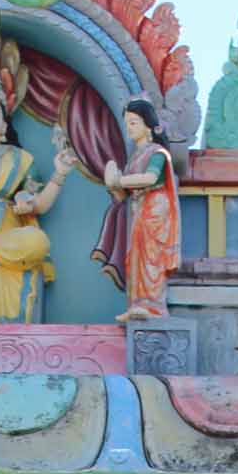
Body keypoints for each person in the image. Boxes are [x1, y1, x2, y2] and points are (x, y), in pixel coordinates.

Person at [0, 51, 75, 322]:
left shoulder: (20, 159)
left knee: (37, 242)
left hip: (4, 238)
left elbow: (40, 204)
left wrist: (59, 174)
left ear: (4, 124)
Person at [102, 97, 181, 322]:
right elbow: (121, 194)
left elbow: (150, 177)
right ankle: (137, 302)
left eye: (134, 122)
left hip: (155, 211)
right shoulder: (134, 158)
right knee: (136, 257)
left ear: (148, 125)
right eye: (127, 123)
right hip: (138, 210)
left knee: (151, 258)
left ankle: (153, 306)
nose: (129, 128)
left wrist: (120, 180)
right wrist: (113, 182)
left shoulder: (156, 152)